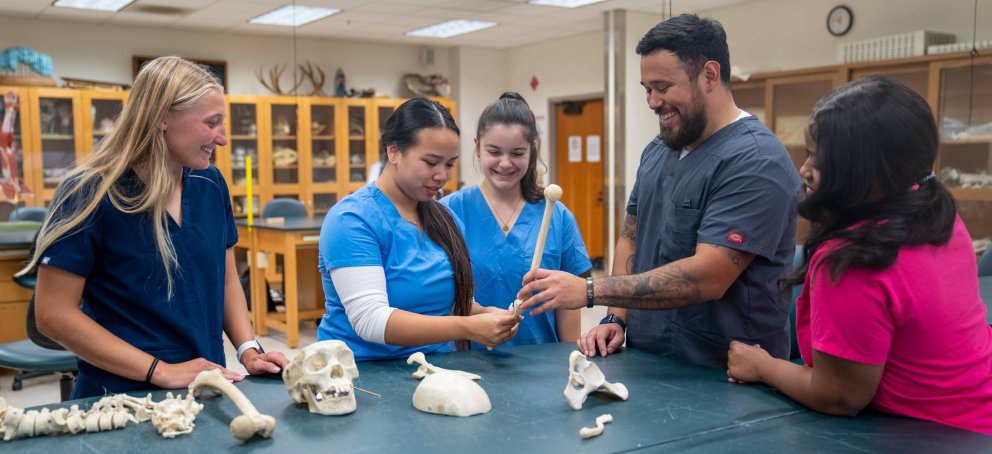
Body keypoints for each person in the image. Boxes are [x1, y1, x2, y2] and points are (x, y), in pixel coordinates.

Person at [516, 14, 802, 369]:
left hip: (725, 372)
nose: (652, 102)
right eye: (646, 89)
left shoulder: (756, 161)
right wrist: (616, 317)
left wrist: (591, 291)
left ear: (709, 75)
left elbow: (710, 276)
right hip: (648, 361)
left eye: (663, 87)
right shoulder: (659, 150)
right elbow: (630, 237)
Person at [727, 76, 992, 434]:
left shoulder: (854, 261)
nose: (803, 170)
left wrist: (762, 366)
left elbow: (838, 396)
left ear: (867, 171)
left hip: (942, 434)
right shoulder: (938, 214)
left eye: (818, 160)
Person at [20, 56, 288, 399]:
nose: (222, 139)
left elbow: (225, 278)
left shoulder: (210, 183)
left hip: (205, 386)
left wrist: (248, 350)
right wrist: (160, 371)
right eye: (212, 123)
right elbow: (53, 315)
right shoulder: (89, 191)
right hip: (120, 395)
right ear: (162, 118)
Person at [316, 97, 520, 361]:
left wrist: (486, 314)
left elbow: (445, 304)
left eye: (449, 164)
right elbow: (370, 319)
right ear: (393, 152)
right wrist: (469, 327)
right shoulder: (351, 219)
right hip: (365, 374)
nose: (442, 175)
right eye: (431, 162)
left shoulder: (445, 219)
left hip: (435, 367)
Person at [441, 92, 592, 346]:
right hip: (468, 367)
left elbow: (568, 304)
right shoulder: (449, 212)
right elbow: (437, 300)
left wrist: (568, 362)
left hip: (541, 369)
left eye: (517, 153)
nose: (505, 163)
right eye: (494, 151)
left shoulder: (556, 216)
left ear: (532, 149)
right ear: (477, 147)